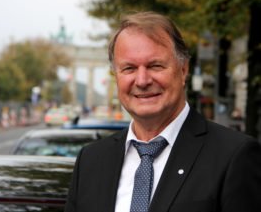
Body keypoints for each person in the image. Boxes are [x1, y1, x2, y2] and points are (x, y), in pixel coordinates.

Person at [65, 11, 261, 212]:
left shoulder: (234, 156)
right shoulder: (91, 160)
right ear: (116, 76)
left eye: (155, 66)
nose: (142, 81)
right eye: (129, 69)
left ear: (183, 70)